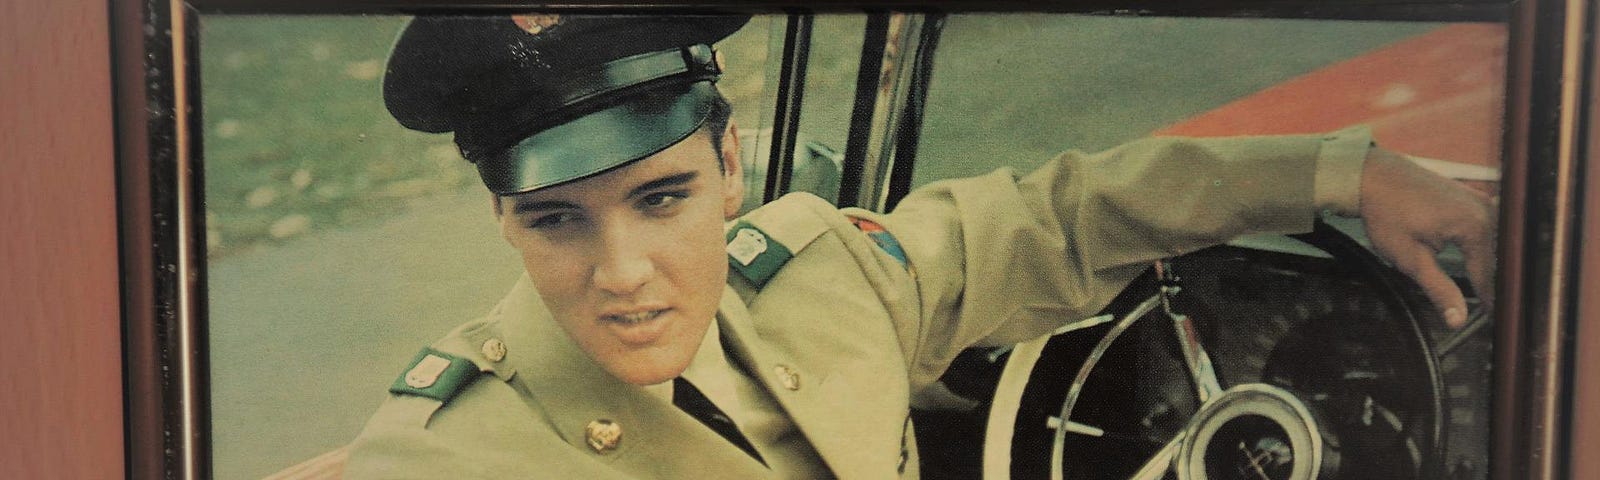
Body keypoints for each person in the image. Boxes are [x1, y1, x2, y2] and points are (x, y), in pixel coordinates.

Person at [345, 13, 1495, 479]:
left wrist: (1338, 171)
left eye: (662, 200)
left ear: (731, 167)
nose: (625, 274)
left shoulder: (819, 274)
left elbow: (1065, 216)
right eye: (557, 220)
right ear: (502, 217)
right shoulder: (446, 451)